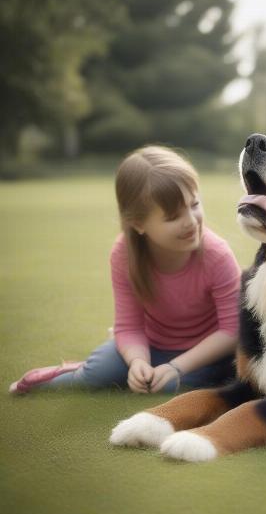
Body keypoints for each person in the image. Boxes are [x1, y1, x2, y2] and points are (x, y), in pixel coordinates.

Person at [10, 145, 241, 395]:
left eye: (194, 204)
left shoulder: (217, 256)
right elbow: (129, 327)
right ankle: (59, 375)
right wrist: (137, 362)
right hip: (153, 346)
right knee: (101, 373)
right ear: (139, 223)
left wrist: (176, 367)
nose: (191, 220)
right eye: (173, 216)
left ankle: (168, 372)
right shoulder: (124, 255)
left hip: (210, 351)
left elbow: (232, 331)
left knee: (188, 382)